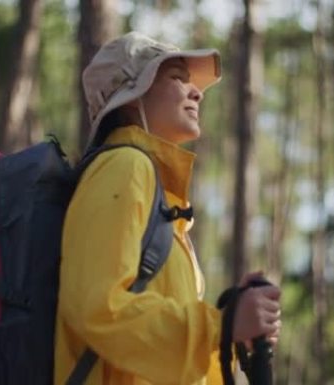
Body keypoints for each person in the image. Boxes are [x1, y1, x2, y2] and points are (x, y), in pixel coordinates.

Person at [55, 31, 282, 385]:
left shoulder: (159, 197)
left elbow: (155, 350)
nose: (197, 92)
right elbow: (98, 307)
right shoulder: (125, 167)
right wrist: (221, 325)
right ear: (131, 97)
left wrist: (231, 333)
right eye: (177, 77)